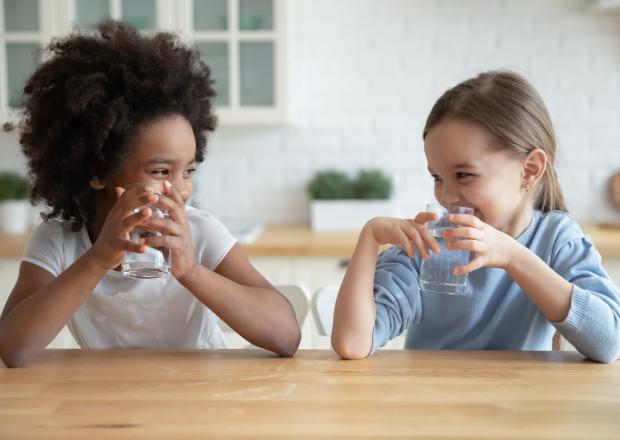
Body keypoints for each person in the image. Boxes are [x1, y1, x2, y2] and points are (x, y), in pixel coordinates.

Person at [0, 21, 300, 367]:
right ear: (97, 171)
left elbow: (287, 335)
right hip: (109, 406)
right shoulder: (59, 242)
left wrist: (191, 271)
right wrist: (97, 259)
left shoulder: (200, 233)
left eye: (188, 171)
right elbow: (13, 348)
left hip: (200, 396)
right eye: (160, 172)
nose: (181, 190)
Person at [331, 70, 620, 363]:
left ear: (529, 169)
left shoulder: (556, 239)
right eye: (437, 177)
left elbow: (609, 343)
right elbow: (352, 344)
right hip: (430, 401)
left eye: (463, 175)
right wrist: (369, 237)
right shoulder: (428, 244)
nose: (444, 196)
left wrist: (512, 257)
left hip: (522, 405)